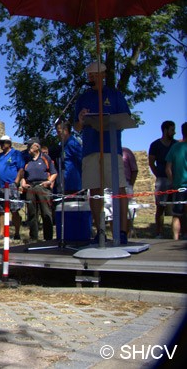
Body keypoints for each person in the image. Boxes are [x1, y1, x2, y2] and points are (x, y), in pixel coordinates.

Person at [74, 61, 131, 244]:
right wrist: (81, 120)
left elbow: (126, 118)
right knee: (94, 188)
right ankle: (100, 231)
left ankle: (121, 232)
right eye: (89, 75)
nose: (90, 78)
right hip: (90, 149)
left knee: (118, 188)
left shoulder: (114, 95)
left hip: (111, 148)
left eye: (94, 74)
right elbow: (76, 127)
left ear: (103, 74)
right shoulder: (83, 98)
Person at [20, 138, 57, 242]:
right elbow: (23, 174)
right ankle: (33, 237)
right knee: (32, 213)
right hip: (30, 187)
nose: (28, 149)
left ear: (36, 147)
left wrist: (49, 182)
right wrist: (23, 182)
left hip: (42, 186)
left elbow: (54, 173)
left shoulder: (45, 158)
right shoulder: (27, 160)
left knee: (46, 212)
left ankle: (48, 238)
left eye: (30, 146)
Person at [0, 134, 25, 240]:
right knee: (1, 210)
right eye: (0, 143)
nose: (1, 145)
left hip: (10, 185)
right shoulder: (0, 156)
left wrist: (16, 182)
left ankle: (16, 233)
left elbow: (21, 169)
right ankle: (1, 233)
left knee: (14, 209)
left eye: (3, 142)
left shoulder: (16, 154)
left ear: (9, 143)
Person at [148, 120, 176, 238]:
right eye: (172, 130)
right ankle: (159, 233)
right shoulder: (155, 145)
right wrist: (158, 175)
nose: (174, 132)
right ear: (165, 130)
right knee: (160, 207)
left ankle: (179, 234)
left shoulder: (175, 144)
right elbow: (151, 162)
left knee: (178, 207)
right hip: (162, 180)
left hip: (175, 179)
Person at [165, 122, 187, 240]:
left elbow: (168, 168)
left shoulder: (175, 147)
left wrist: (173, 182)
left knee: (177, 215)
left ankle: (175, 238)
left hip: (178, 186)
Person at [55, 121, 83, 194]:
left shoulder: (73, 144)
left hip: (74, 185)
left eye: (59, 131)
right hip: (66, 184)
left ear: (66, 130)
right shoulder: (63, 146)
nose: (57, 134)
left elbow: (82, 161)